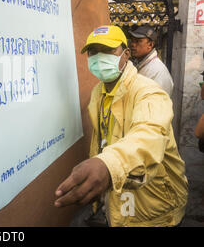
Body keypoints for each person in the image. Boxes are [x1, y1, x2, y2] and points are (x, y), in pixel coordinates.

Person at [54, 25, 188, 227]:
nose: (99, 58)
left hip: (155, 204)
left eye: (107, 51)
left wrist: (109, 164)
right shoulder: (98, 92)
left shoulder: (149, 91)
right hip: (122, 197)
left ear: (125, 55)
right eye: (93, 52)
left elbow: (149, 134)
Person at [129, 26, 174, 97]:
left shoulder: (158, 71)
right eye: (132, 40)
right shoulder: (142, 64)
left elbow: (158, 104)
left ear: (150, 45)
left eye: (138, 41)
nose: (132, 44)